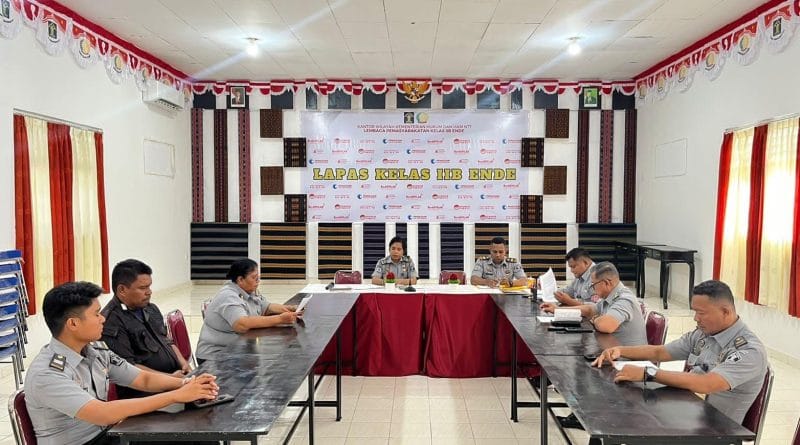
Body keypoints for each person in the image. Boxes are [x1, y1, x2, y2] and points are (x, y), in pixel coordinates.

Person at [24, 281, 218, 445]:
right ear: (73, 324)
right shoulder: (48, 374)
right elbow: (103, 413)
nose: (103, 319)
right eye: (96, 314)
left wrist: (187, 383)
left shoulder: (95, 351)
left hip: (106, 435)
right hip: (85, 442)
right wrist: (176, 396)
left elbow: (142, 379)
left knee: (198, 435)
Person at [593, 280, 768, 424]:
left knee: (631, 421)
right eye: (695, 312)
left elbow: (707, 384)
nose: (696, 318)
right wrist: (619, 350)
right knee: (620, 413)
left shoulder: (749, 351)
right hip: (688, 411)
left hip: (715, 430)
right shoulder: (704, 334)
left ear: (725, 312)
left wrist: (649, 373)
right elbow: (660, 352)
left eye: (701, 313)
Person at [101, 259, 190, 399]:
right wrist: (170, 379)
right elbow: (128, 367)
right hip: (145, 394)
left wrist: (184, 364)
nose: (149, 292)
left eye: (149, 286)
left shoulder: (150, 308)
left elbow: (167, 340)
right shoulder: (111, 322)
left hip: (176, 381)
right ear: (122, 290)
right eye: (143, 288)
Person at [197, 258, 299, 362]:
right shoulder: (228, 296)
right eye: (254, 278)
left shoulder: (248, 290)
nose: (258, 281)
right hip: (217, 355)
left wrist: (291, 309)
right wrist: (280, 319)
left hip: (239, 349)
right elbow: (241, 324)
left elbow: (265, 307)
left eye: (258, 277)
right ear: (240, 280)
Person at [540, 261, 646, 346]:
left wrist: (595, 319)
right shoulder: (610, 295)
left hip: (628, 359)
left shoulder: (624, 299)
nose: (593, 289)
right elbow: (590, 309)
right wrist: (557, 309)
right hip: (613, 349)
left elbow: (605, 325)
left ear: (606, 283)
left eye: (593, 285)